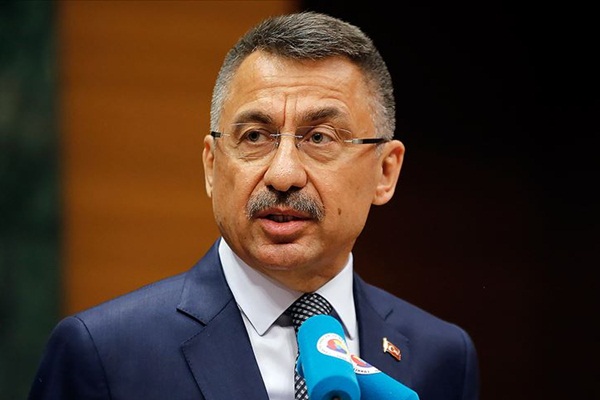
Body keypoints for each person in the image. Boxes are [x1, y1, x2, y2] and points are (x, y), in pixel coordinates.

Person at [28, 11, 479, 400]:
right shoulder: (105, 353)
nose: (283, 175)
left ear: (385, 171)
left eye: (320, 138)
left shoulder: (441, 356)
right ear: (211, 166)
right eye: (255, 137)